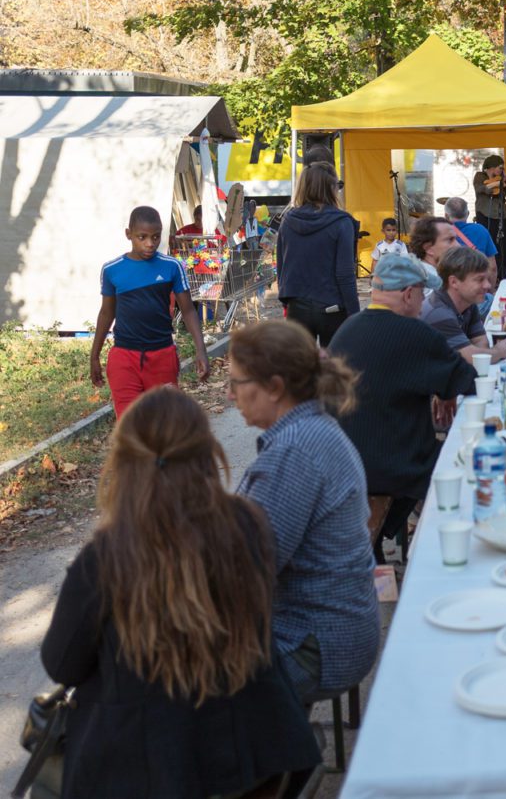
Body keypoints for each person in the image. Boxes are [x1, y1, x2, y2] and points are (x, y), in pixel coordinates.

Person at [38, 388, 318, 799]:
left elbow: (61, 665)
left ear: (125, 463)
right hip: (251, 764)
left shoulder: (106, 557)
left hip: (145, 773)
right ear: (206, 452)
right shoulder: (247, 525)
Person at [230, 320, 380, 705]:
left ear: (275, 388)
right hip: (334, 629)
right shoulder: (312, 429)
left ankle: (282, 757)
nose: (232, 395)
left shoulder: (294, 452)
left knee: (166, 684)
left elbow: (246, 570)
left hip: (311, 642)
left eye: (237, 383)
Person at [330, 255, 478, 555]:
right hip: (394, 467)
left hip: (341, 465)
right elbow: (468, 381)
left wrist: (442, 388)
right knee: (468, 460)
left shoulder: (347, 329)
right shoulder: (416, 333)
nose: (423, 303)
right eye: (422, 294)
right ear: (408, 294)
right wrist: (445, 389)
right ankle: (453, 549)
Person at [90, 205, 210, 416]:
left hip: (162, 356)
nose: (150, 244)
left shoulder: (171, 266)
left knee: (164, 424)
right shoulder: (112, 270)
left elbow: (189, 310)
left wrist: (201, 350)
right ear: (129, 234)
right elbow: (106, 314)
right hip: (124, 358)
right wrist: (94, 356)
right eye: (142, 237)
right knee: (130, 426)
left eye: (155, 237)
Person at [276, 162, 360, 347]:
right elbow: (345, 273)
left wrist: (286, 301)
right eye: (337, 185)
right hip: (332, 308)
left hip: (297, 306)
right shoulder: (342, 222)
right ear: (331, 188)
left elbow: (282, 266)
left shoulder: (288, 220)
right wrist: (355, 314)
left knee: (300, 370)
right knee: (334, 369)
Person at [421, 244, 506, 365]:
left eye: (487, 279)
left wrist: (481, 353)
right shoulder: (438, 312)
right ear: (454, 282)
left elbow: (481, 341)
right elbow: (470, 357)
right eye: (479, 280)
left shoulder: (468, 303)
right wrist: (498, 351)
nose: (488, 286)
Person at [472, 153, 506, 252]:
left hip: (501, 216)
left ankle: (503, 265)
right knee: (488, 243)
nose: (502, 170)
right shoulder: (480, 176)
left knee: (503, 245)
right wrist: (497, 183)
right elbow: (480, 189)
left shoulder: (502, 179)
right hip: (485, 215)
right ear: (492, 167)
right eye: (500, 167)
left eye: (503, 168)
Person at [444, 196, 498, 261]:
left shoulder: (441, 233)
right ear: (468, 214)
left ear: (446, 216)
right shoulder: (481, 230)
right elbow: (492, 267)